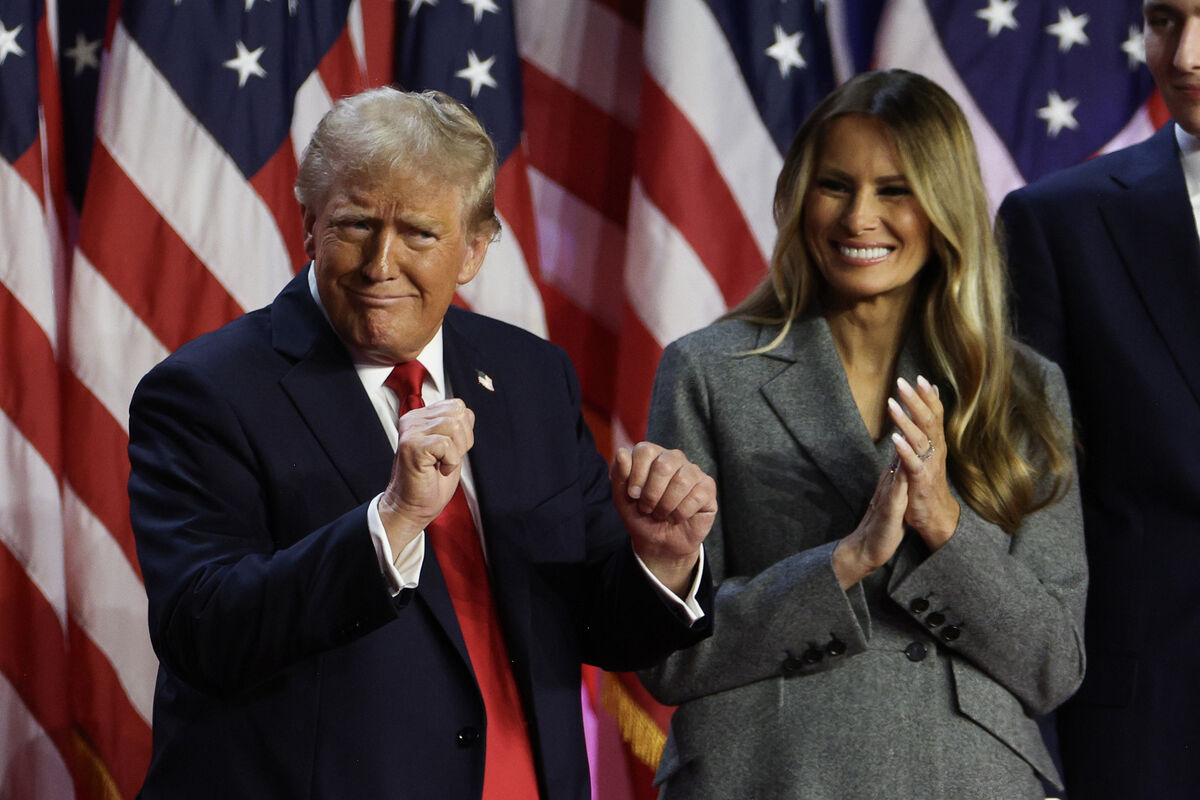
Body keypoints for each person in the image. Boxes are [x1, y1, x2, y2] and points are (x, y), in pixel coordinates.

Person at [127, 87, 717, 799]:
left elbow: (594, 620)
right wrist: (394, 521)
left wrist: (661, 558)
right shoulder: (205, 392)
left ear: (474, 250)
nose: (381, 263)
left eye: (419, 234)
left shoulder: (531, 377)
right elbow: (201, 632)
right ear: (309, 225)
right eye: (355, 225)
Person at [638, 69, 1086, 798]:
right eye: (835, 186)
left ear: (943, 206)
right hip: (770, 776)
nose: (859, 218)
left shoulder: (1023, 389)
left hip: (965, 779)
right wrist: (843, 563)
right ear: (799, 197)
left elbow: (1052, 666)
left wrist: (943, 524)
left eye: (895, 190)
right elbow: (668, 655)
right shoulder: (708, 372)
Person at [997, 2, 1200, 796]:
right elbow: (1020, 511)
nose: (1183, 56)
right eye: (1165, 19)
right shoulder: (1058, 223)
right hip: (1142, 739)